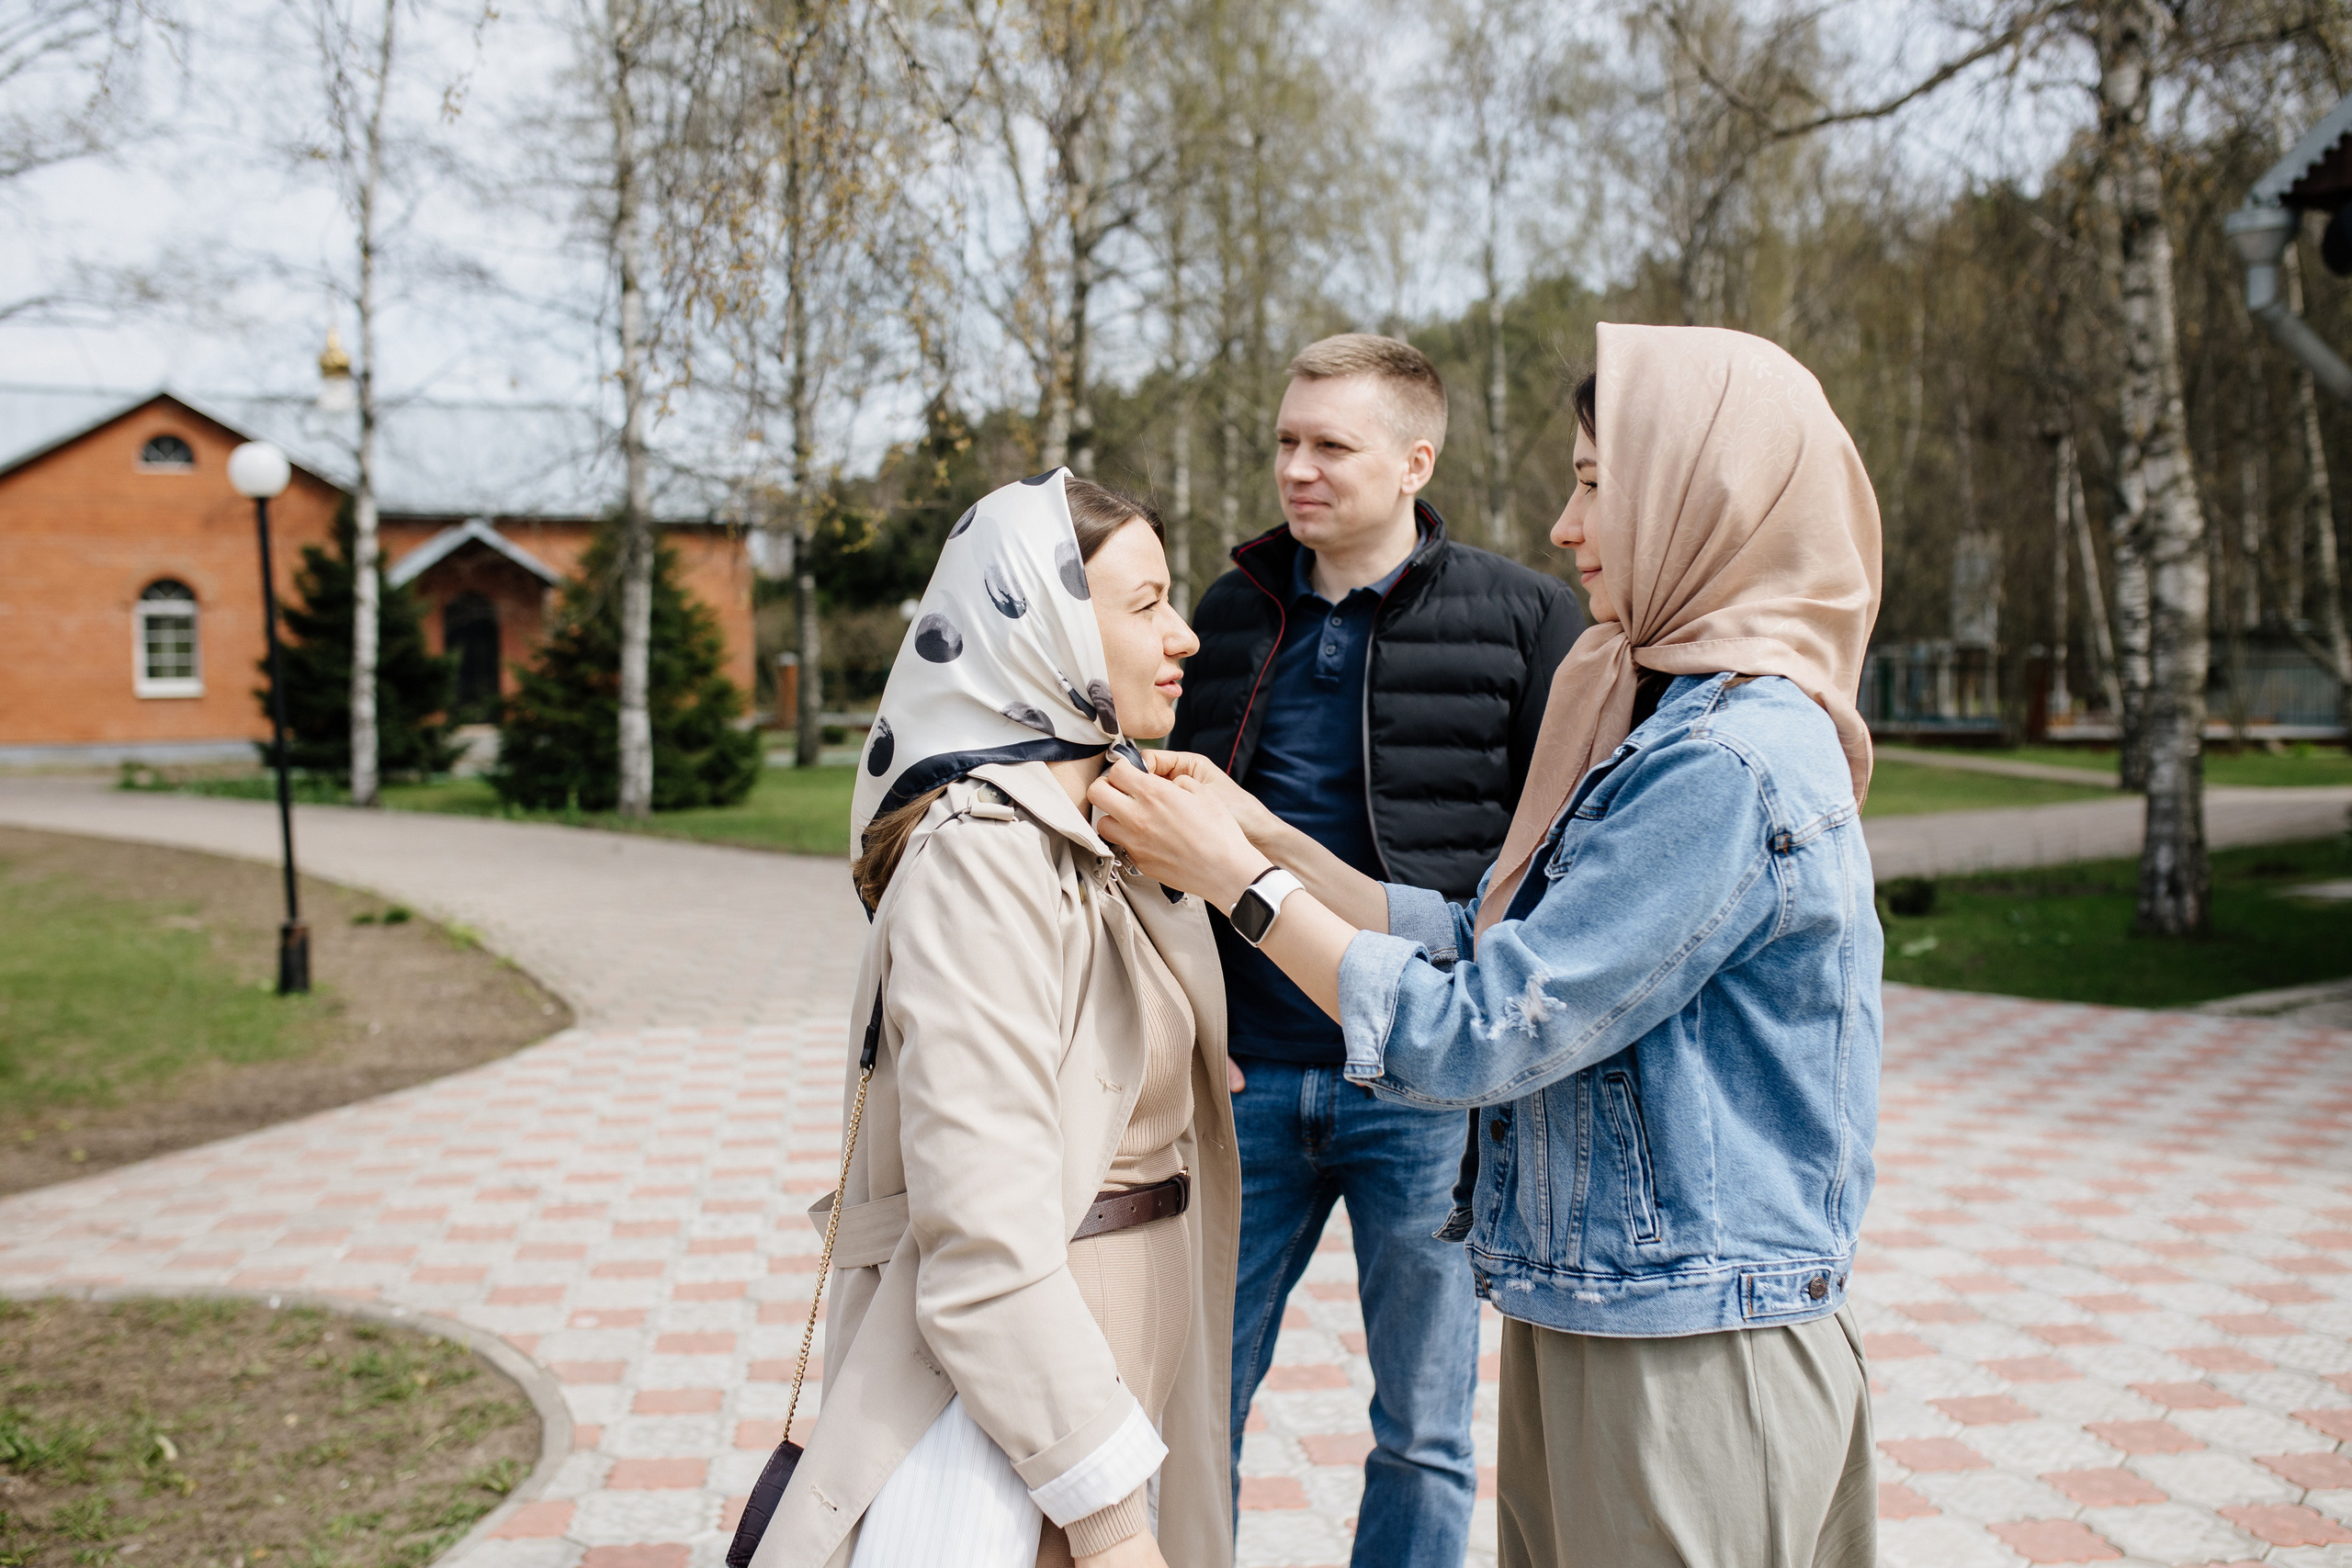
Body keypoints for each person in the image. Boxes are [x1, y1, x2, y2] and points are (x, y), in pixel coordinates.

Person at [1091, 323, 1884, 1568]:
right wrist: (1264, 836)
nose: (1569, 527)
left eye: (1592, 481)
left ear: (1702, 495)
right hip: (1612, 1301)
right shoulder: (1668, 715)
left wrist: (1241, 882)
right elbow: (1484, 936)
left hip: (1688, 1335)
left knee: (1420, 1429)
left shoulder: (1722, 761)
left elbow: (1489, 1022)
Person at [753, 472, 1238, 1568]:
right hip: (1031, 1382)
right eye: (1146, 602)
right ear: (1048, 628)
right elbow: (981, 1236)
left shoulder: (1112, 824)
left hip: (1130, 1340)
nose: (1186, 636)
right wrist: (1111, 1529)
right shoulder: (984, 856)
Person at [1171, 333, 1580, 1562]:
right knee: (1192, 1407)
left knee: (1427, 1427)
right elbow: (1167, 847)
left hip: (1423, 1084)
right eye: (1286, 440)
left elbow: (1556, 862)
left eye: (1329, 445)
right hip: (1245, 1083)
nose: (1297, 468)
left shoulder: (1525, 618)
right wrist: (1191, 1035)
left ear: (1416, 458)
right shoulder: (1229, 615)